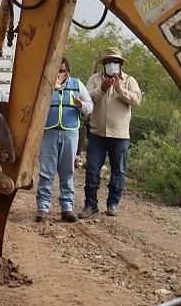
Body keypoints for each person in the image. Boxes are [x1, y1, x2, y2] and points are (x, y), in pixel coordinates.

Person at [80, 47, 143, 218]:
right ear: (103, 64)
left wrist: (119, 89)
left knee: (118, 171)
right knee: (92, 169)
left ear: (120, 64)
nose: (111, 64)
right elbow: (86, 99)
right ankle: (90, 204)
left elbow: (136, 100)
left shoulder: (129, 80)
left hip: (120, 135)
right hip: (97, 133)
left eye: (114, 61)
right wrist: (102, 88)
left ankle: (113, 204)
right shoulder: (94, 79)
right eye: (108, 62)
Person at [36, 58, 93, 222]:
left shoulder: (77, 84)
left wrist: (81, 105)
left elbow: (90, 106)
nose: (59, 74)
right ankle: (42, 208)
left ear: (67, 71)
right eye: (57, 71)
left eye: (62, 71)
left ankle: (67, 208)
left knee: (67, 171)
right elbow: (36, 104)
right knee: (46, 172)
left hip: (70, 132)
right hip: (49, 132)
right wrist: (52, 88)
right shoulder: (45, 85)